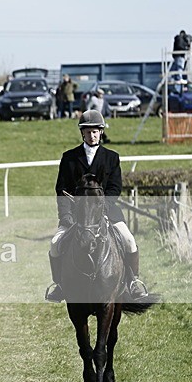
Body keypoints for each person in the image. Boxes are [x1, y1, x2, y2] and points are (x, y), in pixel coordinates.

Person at [45, 109, 147, 302]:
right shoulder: (69, 158)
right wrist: (65, 216)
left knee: (129, 240)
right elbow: (62, 190)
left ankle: (133, 281)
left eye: (95, 131)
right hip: (76, 216)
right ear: (82, 133)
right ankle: (58, 285)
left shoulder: (111, 157)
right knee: (55, 244)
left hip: (107, 212)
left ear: (101, 132)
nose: (92, 135)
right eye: (88, 131)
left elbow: (115, 187)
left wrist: (103, 211)